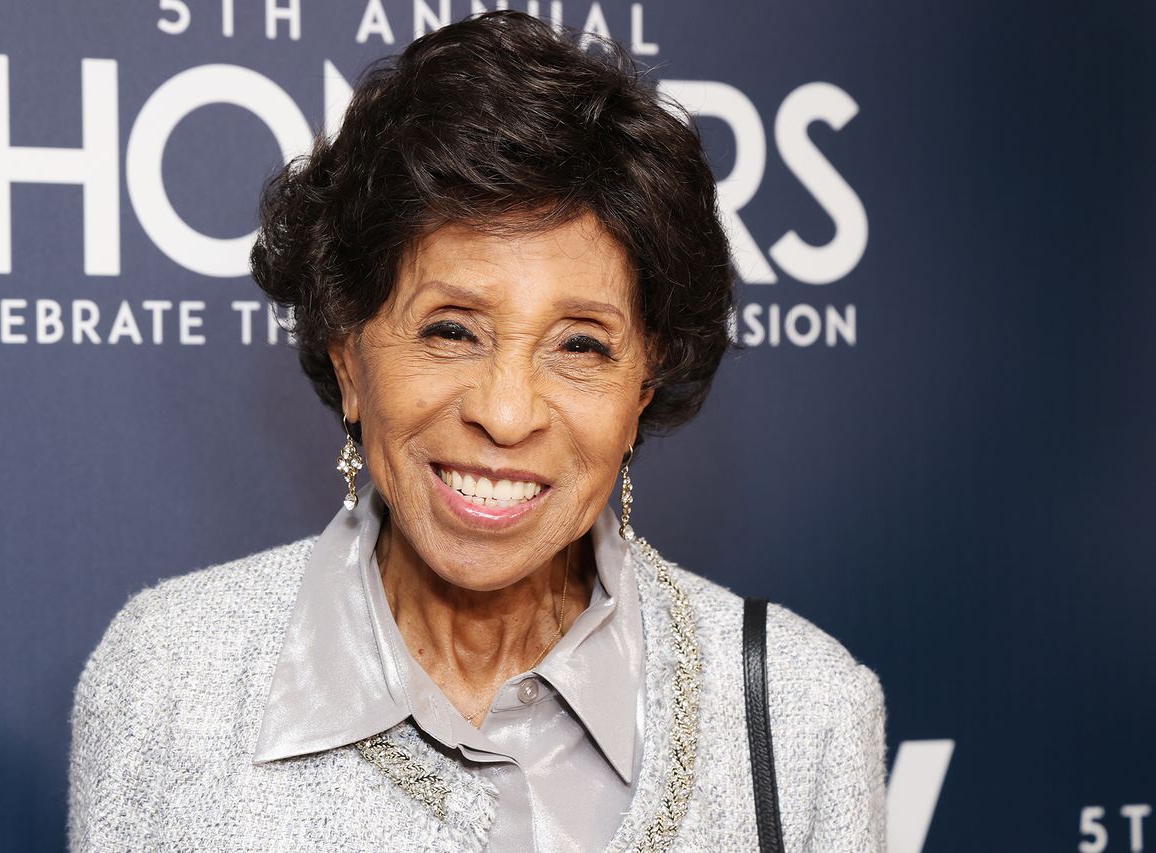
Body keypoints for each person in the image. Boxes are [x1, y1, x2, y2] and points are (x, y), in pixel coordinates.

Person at [68, 10, 887, 852]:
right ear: (348, 353)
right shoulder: (168, 678)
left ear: (641, 388)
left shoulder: (805, 711)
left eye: (580, 345)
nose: (503, 412)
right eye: (451, 329)